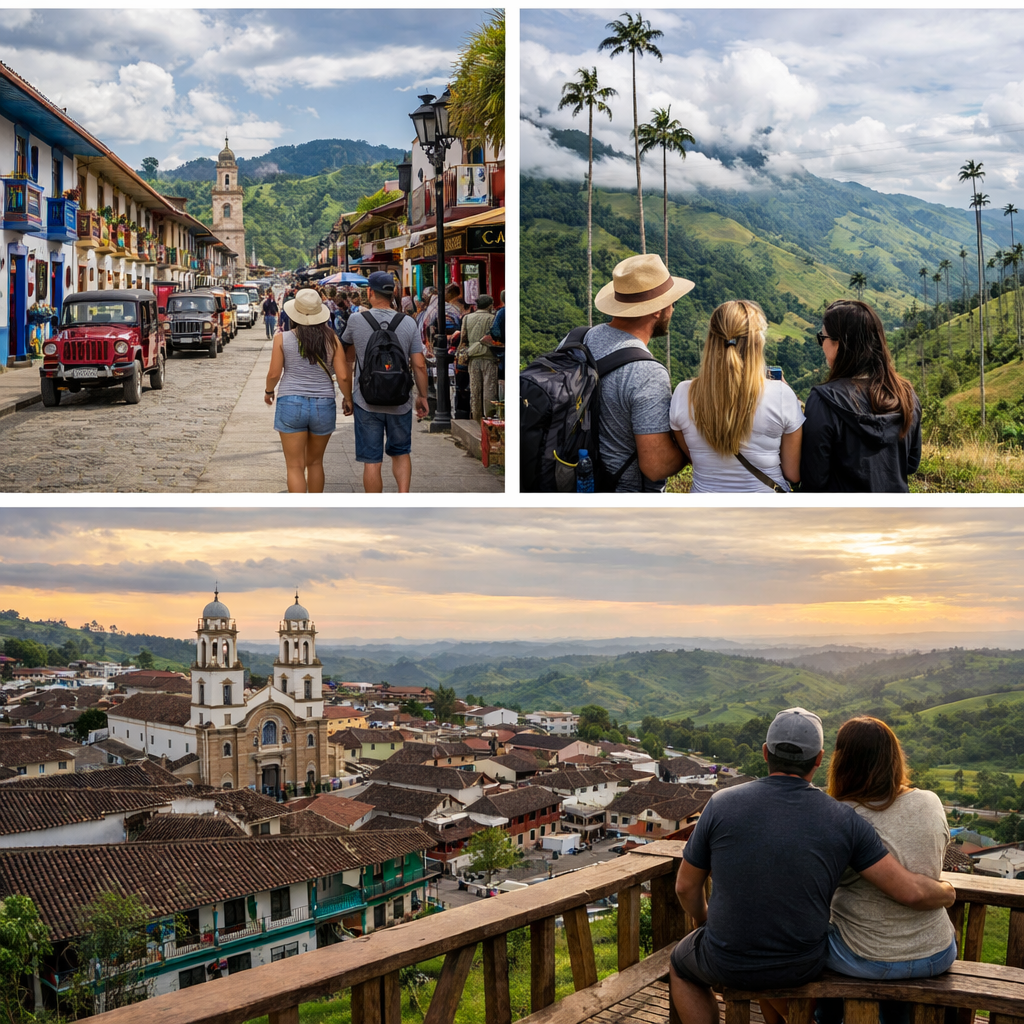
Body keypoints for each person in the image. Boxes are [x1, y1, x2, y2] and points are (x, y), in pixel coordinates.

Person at [670, 707, 957, 1024]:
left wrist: (704, 919)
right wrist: (947, 891)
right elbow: (906, 888)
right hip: (806, 963)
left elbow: (685, 886)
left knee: (680, 966)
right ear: (818, 759)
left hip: (728, 956)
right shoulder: (844, 819)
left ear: (765, 753)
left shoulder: (721, 803)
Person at [819, 718, 957, 1023]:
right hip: (936, 952)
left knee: (798, 944)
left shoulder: (842, 816)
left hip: (864, 956)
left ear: (841, 762)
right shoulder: (929, 802)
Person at [574, 253, 691, 491]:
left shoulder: (578, 339)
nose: (673, 309)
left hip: (573, 479)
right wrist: (697, 451)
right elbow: (656, 466)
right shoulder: (648, 373)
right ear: (657, 310)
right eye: (672, 302)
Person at [670, 300, 804, 491]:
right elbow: (793, 473)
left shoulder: (683, 393)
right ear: (757, 344)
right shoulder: (782, 396)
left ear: (711, 341)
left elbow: (694, 458)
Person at [801, 299, 921, 491]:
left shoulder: (823, 401)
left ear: (839, 344)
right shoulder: (905, 394)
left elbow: (814, 479)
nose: (821, 345)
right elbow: (911, 464)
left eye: (822, 338)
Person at [341, 271, 429, 493]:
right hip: (400, 401)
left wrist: (348, 397)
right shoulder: (408, 322)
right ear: (393, 293)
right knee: (401, 453)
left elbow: (348, 359)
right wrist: (423, 396)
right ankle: (403, 498)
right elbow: (419, 365)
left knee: (372, 461)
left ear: (370, 292)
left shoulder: (356, 320)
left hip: (366, 401)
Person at [264, 288, 352, 493]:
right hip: (323, 403)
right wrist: (348, 398)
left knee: (294, 466)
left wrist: (269, 391)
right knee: (315, 462)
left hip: (290, 403)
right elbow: (343, 376)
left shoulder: (282, 339)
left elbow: (274, 373)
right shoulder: (332, 339)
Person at [463, 294, 497, 422]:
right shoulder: (492, 318)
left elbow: (463, 339)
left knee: (475, 389)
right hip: (489, 356)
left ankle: (476, 418)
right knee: (489, 389)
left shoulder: (467, 318)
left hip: (473, 357)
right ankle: (489, 419)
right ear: (489, 305)